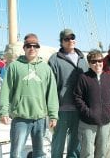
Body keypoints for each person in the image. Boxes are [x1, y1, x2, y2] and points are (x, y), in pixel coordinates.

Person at [0, 33, 59, 158]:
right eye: (28, 46)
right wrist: (3, 111)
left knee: (40, 153)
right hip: (20, 117)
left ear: (38, 48)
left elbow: (51, 93)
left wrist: (53, 115)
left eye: (35, 46)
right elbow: (6, 90)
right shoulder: (14, 66)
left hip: (40, 118)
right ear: (24, 48)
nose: (32, 48)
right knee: (16, 153)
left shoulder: (46, 69)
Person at [48, 28, 89, 158]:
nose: (70, 40)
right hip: (62, 109)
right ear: (61, 42)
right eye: (67, 38)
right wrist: (52, 111)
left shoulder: (82, 58)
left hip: (79, 108)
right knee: (58, 143)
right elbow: (50, 86)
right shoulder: (54, 59)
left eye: (72, 37)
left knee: (76, 143)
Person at [74, 49, 110, 158]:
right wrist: (88, 112)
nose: (97, 64)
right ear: (89, 63)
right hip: (88, 122)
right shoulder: (83, 78)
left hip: (105, 122)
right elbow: (77, 97)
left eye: (100, 61)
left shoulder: (109, 77)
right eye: (94, 61)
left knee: (102, 152)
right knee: (87, 152)